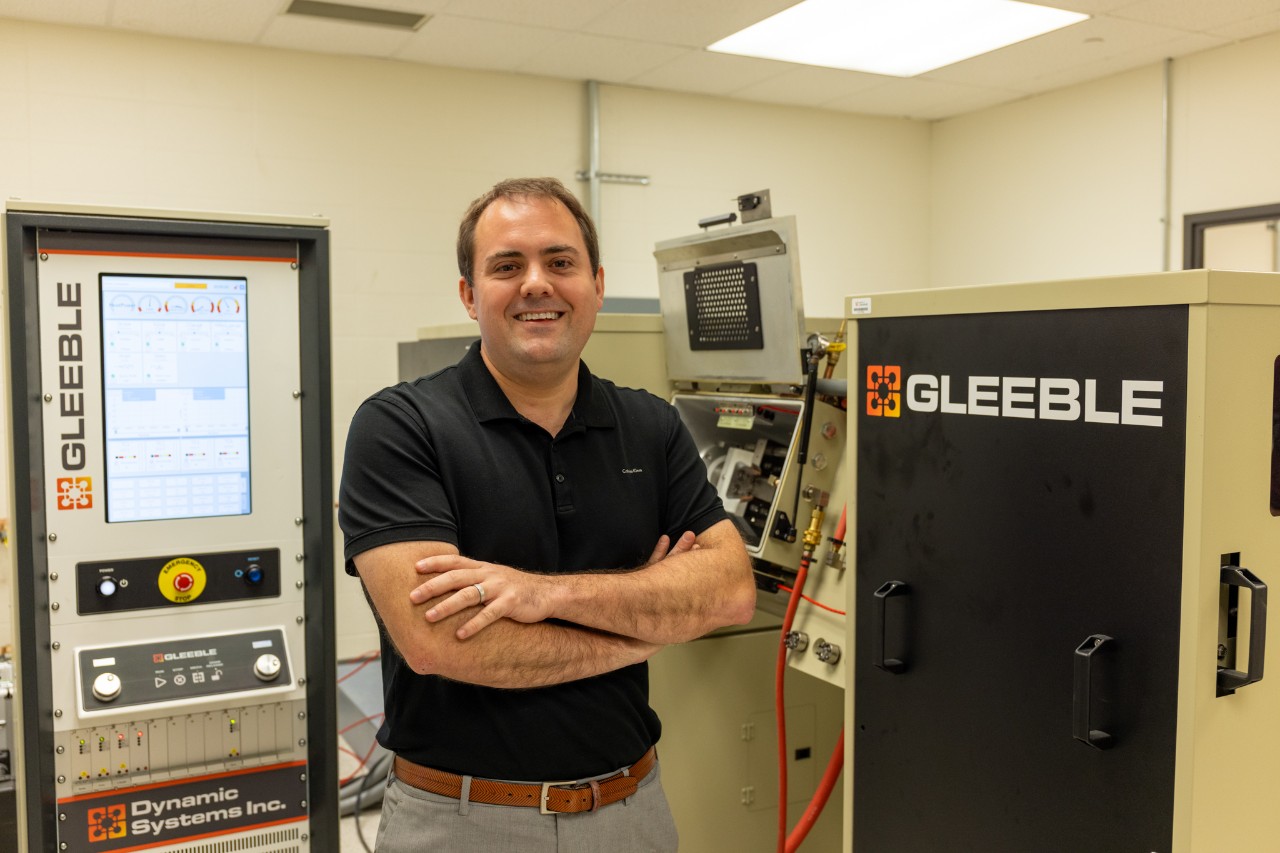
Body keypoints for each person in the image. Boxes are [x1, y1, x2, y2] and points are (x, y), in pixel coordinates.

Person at [338, 176, 757, 852]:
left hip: (633, 809)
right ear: (470, 294)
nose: (537, 283)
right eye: (507, 266)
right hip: (459, 820)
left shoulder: (651, 425)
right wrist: (643, 630)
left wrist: (540, 593)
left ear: (593, 283)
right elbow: (436, 642)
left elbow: (732, 590)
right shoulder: (400, 426)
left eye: (560, 262)